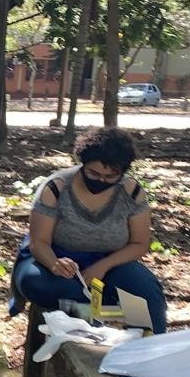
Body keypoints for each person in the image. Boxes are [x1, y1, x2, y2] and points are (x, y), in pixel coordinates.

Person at [11, 126, 166, 333]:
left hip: (112, 262)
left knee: (148, 293)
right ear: (82, 164)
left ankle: (150, 348)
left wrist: (104, 266)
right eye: (93, 173)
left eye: (110, 176)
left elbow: (140, 243)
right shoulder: (56, 187)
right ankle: (96, 316)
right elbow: (39, 242)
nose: (100, 180)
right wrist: (55, 264)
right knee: (37, 284)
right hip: (56, 260)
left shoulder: (132, 192)